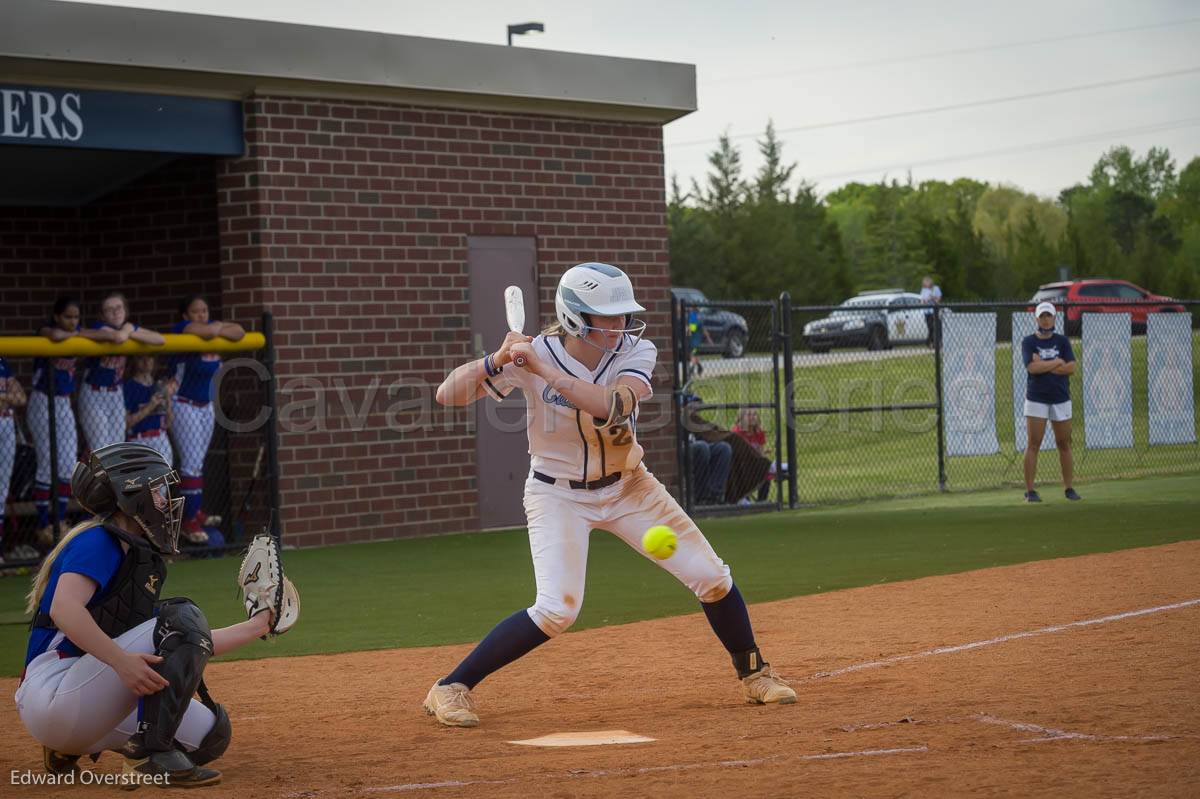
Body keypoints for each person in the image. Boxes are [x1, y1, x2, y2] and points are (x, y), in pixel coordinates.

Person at [425, 262, 795, 728]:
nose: (620, 325)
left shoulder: (635, 351)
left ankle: (755, 675)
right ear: (577, 317)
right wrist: (494, 361)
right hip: (556, 496)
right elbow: (446, 395)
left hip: (629, 489)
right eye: (609, 316)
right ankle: (451, 687)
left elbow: (613, 405)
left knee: (712, 577)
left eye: (623, 314)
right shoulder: (531, 355)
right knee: (558, 608)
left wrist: (544, 372)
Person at [15, 442, 298, 786]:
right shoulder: (98, 541)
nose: (166, 499)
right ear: (132, 495)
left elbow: (178, 641)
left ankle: (69, 749)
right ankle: (149, 757)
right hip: (54, 691)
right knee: (182, 615)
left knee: (211, 736)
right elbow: (64, 609)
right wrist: (121, 661)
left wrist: (258, 625)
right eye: (158, 489)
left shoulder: (136, 554)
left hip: (81, 703)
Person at [31, 297, 119, 548]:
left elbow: (100, 337)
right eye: (67, 317)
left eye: (76, 317)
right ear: (57, 316)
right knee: (47, 464)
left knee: (67, 463)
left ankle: (58, 523)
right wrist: (78, 333)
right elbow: (55, 336)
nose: (72, 322)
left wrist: (83, 332)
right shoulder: (46, 331)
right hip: (42, 399)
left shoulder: (79, 333)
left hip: (63, 401)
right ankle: (43, 523)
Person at [168, 295, 245, 541]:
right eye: (195, 311)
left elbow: (240, 332)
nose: (201, 315)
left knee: (198, 463)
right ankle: (188, 521)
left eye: (204, 310)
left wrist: (216, 327)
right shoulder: (183, 330)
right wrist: (214, 329)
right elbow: (203, 331)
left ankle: (194, 511)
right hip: (183, 404)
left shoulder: (212, 330)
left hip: (206, 405)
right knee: (191, 463)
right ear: (185, 315)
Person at [79, 292, 165, 456]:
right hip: (94, 393)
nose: (115, 312)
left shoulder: (128, 328)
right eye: (109, 309)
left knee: (117, 445)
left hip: (116, 393)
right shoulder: (100, 328)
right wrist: (128, 331)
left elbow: (160, 340)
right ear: (102, 316)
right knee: (100, 447)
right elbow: (118, 337)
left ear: (125, 310)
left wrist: (131, 332)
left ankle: (109, 480)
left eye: (119, 308)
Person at [1021, 301, 1080, 503]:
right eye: (1042, 316)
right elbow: (1031, 368)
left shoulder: (1062, 341)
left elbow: (1071, 368)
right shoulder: (1028, 342)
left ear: (1055, 318)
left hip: (1060, 398)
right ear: (1036, 318)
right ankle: (1030, 491)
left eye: (1049, 316)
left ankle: (1069, 488)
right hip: (1037, 398)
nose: (1046, 320)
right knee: (1033, 444)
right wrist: (1056, 362)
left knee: (1064, 443)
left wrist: (1044, 364)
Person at [123, 354, 176, 469]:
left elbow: (169, 422)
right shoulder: (129, 387)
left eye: (150, 357)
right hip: (140, 440)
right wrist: (149, 407)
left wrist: (168, 399)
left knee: (162, 486)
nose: (146, 361)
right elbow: (125, 424)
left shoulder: (159, 386)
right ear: (135, 361)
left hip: (162, 439)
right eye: (141, 358)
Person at [0, 358, 28, 563]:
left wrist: (5, 397)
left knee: (1, 490)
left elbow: (21, 398)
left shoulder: (2, 362)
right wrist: (7, 396)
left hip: (6, 423)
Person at [732, 408, 782, 502]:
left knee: (765, 466)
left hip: (755, 464)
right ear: (741, 418)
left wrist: (762, 454)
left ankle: (762, 500)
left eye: (754, 414)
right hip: (741, 465)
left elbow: (760, 453)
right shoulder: (737, 432)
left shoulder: (758, 432)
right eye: (749, 415)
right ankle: (744, 498)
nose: (752, 417)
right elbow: (737, 455)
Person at [919, 276, 942, 347]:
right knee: (930, 328)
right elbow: (922, 301)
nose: (926, 285)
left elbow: (938, 300)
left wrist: (933, 298)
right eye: (925, 284)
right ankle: (930, 342)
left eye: (927, 283)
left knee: (937, 327)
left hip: (934, 311)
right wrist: (925, 300)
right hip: (927, 312)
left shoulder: (936, 288)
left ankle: (937, 343)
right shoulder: (923, 290)